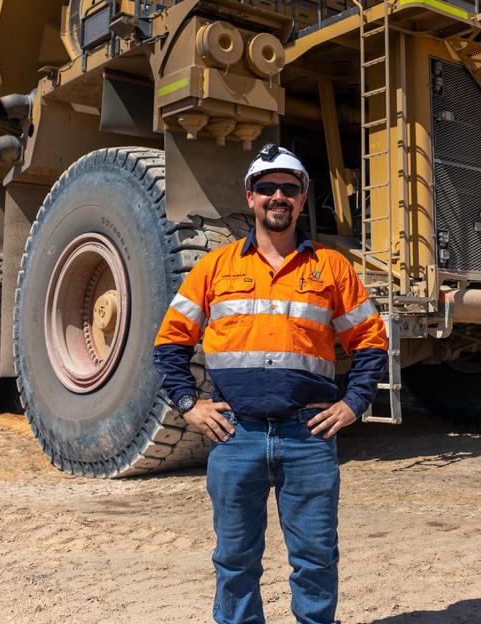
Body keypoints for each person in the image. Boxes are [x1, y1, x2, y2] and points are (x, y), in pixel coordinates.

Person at [153, 143, 389, 624]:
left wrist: (354, 403)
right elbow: (169, 345)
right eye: (267, 188)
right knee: (235, 562)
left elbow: (370, 342)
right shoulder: (214, 268)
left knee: (316, 560)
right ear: (251, 196)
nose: (277, 196)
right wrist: (188, 404)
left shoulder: (332, 268)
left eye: (289, 189)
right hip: (235, 436)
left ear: (302, 200)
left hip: (309, 437)